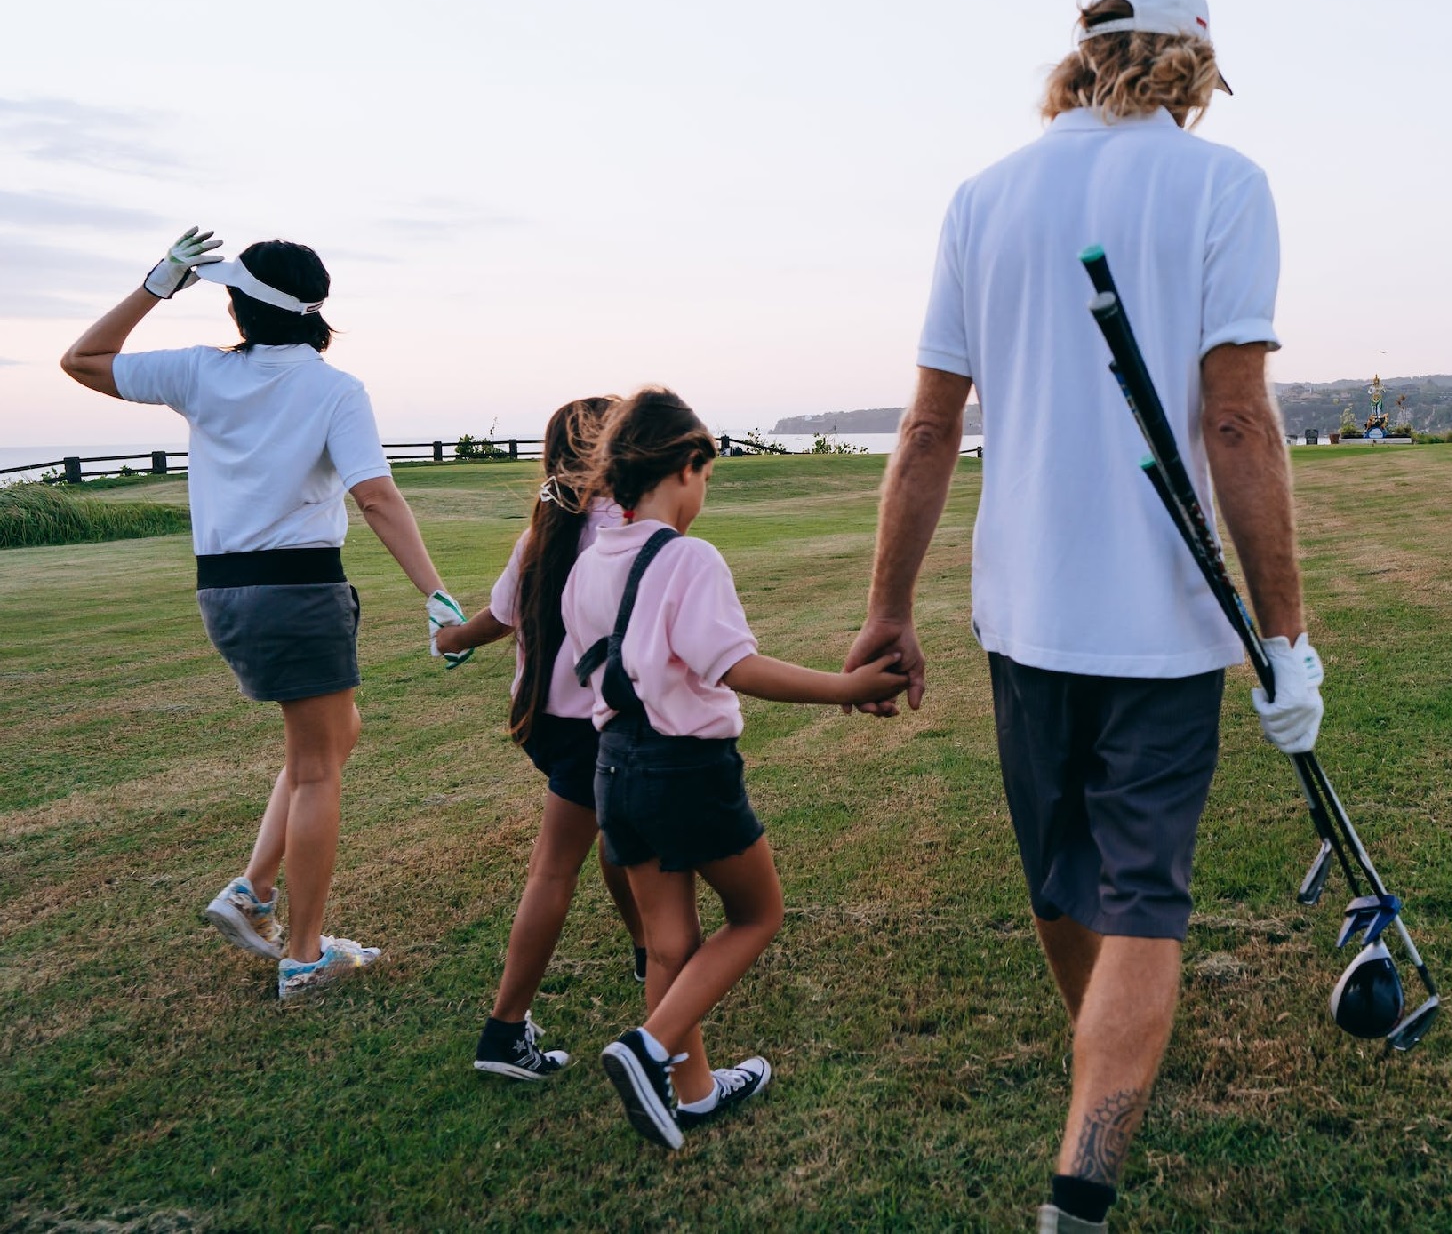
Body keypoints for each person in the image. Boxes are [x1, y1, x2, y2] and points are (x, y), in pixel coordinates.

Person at [840, 0, 1325, 1232]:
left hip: (1021, 617)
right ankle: (1082, 1182)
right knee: (1142, 897)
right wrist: (1284, 635)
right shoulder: (1223, 185)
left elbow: (926, 427)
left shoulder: (982, 195)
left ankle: (1102, 1057)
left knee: (1064, 881)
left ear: (1080, 55)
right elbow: (1234, 416)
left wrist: (889, 604)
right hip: (1161, 623)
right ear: (1194, 65)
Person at [58, 230, 471, 1001]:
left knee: (334, 736)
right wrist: (435, 592)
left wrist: (156, 284)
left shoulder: (201, 372)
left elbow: (83, 360)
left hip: (224, 592)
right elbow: (375, 495)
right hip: (297, 590)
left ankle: (250, 891)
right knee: (318, 766)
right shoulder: (334, 389)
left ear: (241, 305)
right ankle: (304, 952)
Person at [563, 387, 909, 1149]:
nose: (704, 495)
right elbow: (737, 667)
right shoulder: (689, 558)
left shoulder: (587, 567)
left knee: (668, 944)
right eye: (707, 477)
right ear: (686, 464)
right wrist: (847, 688)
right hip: (687, 770)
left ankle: (692, 1093)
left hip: (614, 769)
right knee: (758, 914)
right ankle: (649, 1046)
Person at [431, 397, 651, 1079]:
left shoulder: (541, 534)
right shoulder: (628, 533)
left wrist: (453, 638)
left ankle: (648, 947)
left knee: (615, 834)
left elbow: (501, 616)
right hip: (596, 728)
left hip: (546, 727)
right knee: (558, 867)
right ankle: (503, 1032)